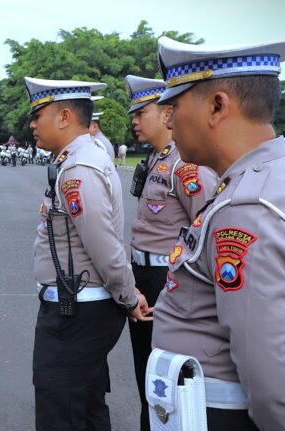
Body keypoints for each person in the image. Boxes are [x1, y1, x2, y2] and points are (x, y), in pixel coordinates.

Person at [150, 36, 285, 430]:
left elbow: (270, 377)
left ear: (217, 106)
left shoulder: (246, 207)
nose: (169, 121)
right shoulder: (260, 179)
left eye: (174, 106)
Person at [26, 76, 151, 430]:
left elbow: (105, 246)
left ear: (64, 117)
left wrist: (128, 296)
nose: (33, 124)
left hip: (76, 312)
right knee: (87, 404)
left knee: (60, 409)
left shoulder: (78, 169)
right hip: (81, 306)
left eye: (39, 114)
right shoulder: (79, 158)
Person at [124, 74, 216, 431]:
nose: (134, 119)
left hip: (168, 280)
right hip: (143, 276)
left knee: (165, 378)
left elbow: (205, 229)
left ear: (166, 115)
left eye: (141, 111)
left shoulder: (185, 165)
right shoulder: (155, 160)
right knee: (146, 373)